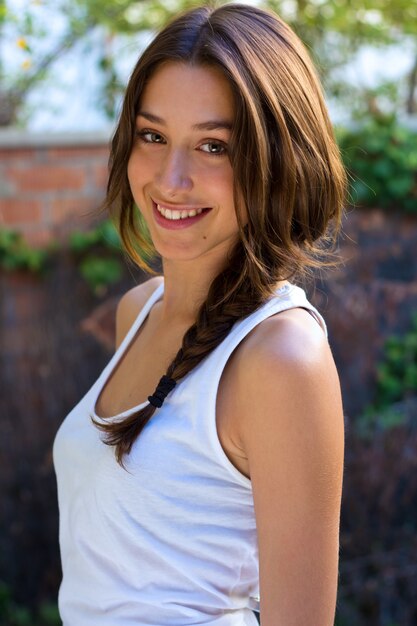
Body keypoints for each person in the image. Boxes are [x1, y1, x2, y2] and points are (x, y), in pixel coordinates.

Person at [53, 3, 346, 625]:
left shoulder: (281, 358)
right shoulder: (138, 312)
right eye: (152, 136)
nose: (171, 178)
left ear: (279, 160)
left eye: (214, 146)